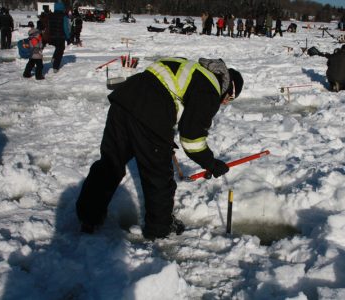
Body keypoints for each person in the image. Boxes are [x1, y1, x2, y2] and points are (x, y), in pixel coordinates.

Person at [76, 57, 244, 240]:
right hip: (150, 114)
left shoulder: (191, 67)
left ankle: (88, 217)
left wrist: (164, 136)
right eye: (229, 99)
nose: (224, 103)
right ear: (229, 88)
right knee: (158, 177)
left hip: (124, 101)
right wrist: (211, 163)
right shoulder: (210, 88)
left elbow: (168, 93)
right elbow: (192, 139)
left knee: (110, 163)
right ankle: (160, 230)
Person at [47, 2, 70, 73]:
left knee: (57, 48)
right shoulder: (63, 16)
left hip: (51, 36)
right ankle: (55, 67)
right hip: (60, 36)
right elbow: (66, 28)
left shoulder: (50, 15)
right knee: (60, 50)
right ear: (62, 8)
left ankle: (54, 58)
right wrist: (68, 37)